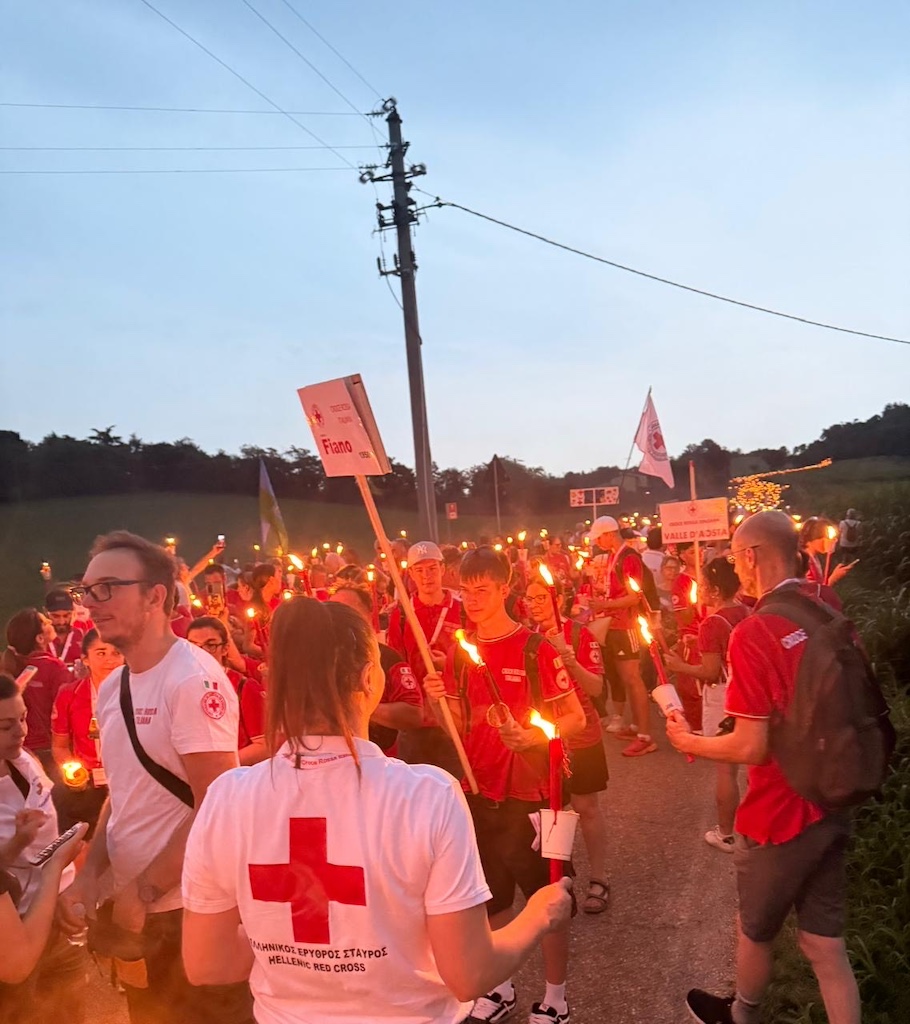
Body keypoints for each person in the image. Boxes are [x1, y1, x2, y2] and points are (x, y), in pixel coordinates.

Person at [181, 597, 572, 1024]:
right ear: (370, 679)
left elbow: (208, 963)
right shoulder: (426, 795)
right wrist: (539, 914)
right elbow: (470, 973)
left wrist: (284, 947)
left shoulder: (227, 797)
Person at [667, 511, 861, 1024]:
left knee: (753, 928)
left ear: (751, 557)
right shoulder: (825, 603)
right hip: (835, 791)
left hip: (778, 812)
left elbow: (751, 747)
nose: (734, 567)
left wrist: (689, 740)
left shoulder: (754, 632)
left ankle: (742, 1015)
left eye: (735, 557)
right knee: (824, 944)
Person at [57, 530, 252, 1024]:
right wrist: (91, 875)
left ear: (155, 596)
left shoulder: (191, 679)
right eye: (86, 590)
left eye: (108, 588)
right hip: (139, 912)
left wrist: (145, 889)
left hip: (192, 907)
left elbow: (217, 801)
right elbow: (122, 795)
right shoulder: (114, 687)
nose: (90, 602)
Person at [426, 547, 585, 1024]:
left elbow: (574, 718)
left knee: (549, 900)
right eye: (466, 591)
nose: (473, 600)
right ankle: (499, 989)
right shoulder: (461, 651)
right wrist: (436, 702)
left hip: (533, 795)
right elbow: (457, 725)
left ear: (504, 589)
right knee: (489, 896)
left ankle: (555, 999)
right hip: (479, 792)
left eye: (482, 590)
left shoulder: (536, 648)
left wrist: (533, 736)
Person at [0, 673, 87, 1024]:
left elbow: (49, 830)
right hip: (14, 933)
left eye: (22, 718)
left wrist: (63, 888)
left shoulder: (24, 761)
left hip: (54, 919)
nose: (21, 732)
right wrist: (19, 843)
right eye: (5, 726)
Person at [525, 577, 610, 915]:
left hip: (582, 735)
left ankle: (600, 878)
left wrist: (570, 660)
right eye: (529, 598)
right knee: (552, 812)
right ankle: (559, 879)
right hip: (546, 737)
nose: (535, 604)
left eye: (541, 597)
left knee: (586, 807)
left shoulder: (579, 635)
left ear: (557, 599)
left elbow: (597, 688)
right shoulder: (528, 638)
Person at [664, 558, 749, 853]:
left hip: (724, 698)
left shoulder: (712, 623)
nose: (698, 590)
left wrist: (680, 666)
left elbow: (711, 672)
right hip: (747, 691)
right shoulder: (745, 610)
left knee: (726, 770)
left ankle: (726, 833)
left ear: (714, 590)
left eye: (702, 585)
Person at [388, 541, 465, 773]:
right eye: (419, 570)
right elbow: (395, 663)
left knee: (455, 784)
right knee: (414, 785)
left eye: (432, 569)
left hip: (452, 718)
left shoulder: (462, 609)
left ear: (443, 569)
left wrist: (449, 663)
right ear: (410, 574)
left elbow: (476, 658)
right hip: (416, 720)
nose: (426, 576)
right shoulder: (402, 614)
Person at [587, 517, 656, 757]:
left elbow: (634, 597)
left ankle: (645, 736)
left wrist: (604, 604)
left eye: (599, 537)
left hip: (628, 625)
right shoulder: (616, 556)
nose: (597, 542)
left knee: (633, 678)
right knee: (627, 678)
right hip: (617, 624)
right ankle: (636, 726)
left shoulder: (628, 557)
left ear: (609, 534)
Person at [330, 584, 424, 755]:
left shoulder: (386, 658)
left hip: (380, 757)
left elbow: (413, 714)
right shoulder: (319, 659)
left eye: (346, 611)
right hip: (329, 757)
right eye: (332, 611)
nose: (338, 618)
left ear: (367, 615)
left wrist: (357, 705)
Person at [50, 629, 123, 834]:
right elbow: (60, 746)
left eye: (116, 653)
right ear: (85, 659)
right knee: (86, 841)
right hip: (86, 785)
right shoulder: (69, 694)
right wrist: (73, 772)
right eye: (101, 653)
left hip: (126, 783)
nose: (110, 660)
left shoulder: (137, 692)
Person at [186, 617, 268, 766]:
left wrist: (221, 765)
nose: (201, 652)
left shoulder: (243, 686)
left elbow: (264, 745)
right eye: (193, 645)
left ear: (225, 649)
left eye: (210, 645)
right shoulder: (179, 686)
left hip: (233, 774)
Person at [1, 609, 73, 778]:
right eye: (45, 622)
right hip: (50, 748)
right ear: (40, 638)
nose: (50, 621)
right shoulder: (54, 667)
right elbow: (66, 708)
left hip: (17, 748)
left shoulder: (9, 665)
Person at [800, 518, 855, 587]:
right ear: (812, 538)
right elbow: (813, 590)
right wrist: (833, 578)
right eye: (824, 539)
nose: (828, 542)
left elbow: (821, 585)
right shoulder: (804, 561)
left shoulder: (814, 558)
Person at [44, 589, 86, 671]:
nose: (61, 622)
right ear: (46, 612)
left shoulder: (82, 634)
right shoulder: (38, 638)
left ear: (73, 611)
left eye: (66, 615)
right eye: (56, 616)